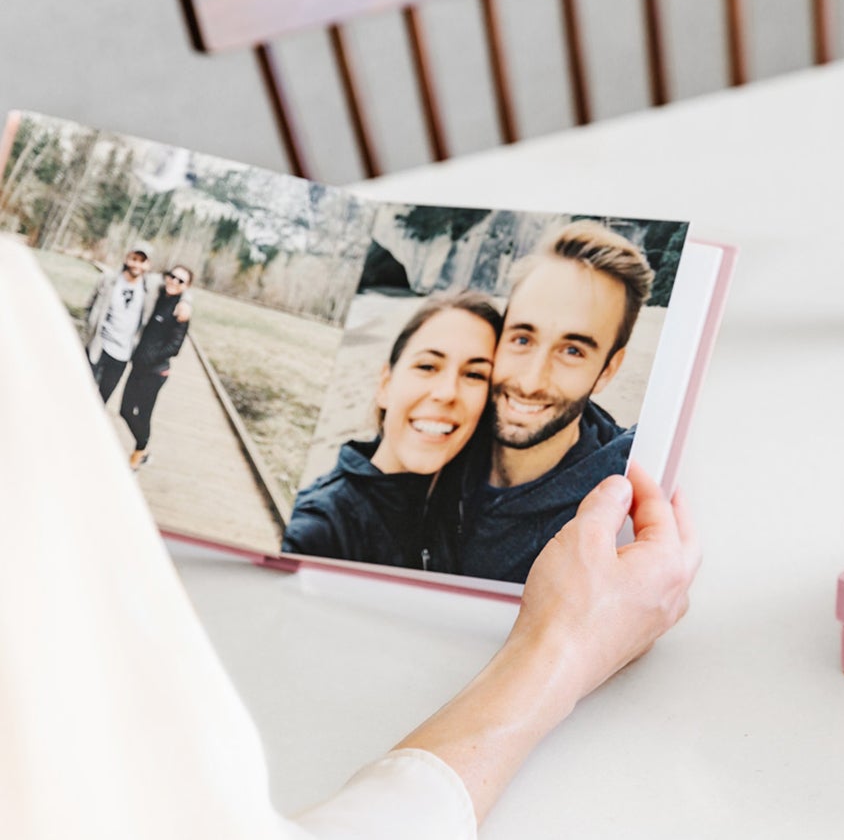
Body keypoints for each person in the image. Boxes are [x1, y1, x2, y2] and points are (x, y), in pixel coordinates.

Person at [1, 238, 700, 839]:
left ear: (610, 368)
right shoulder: (337, 514)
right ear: (385, 381)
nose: (522, 380)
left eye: (475, 371)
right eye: (518, 340)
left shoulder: (596, 477)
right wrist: (563, 652)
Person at [437, 220, 655, 582]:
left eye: (572, 350)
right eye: (522, 339)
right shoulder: (436, 440)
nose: (530, 381)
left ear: (607, 370)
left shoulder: (607, 523)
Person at [281, 291, 503, 569]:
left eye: (474, 374)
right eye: (427, 366)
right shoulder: (319, 530)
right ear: (385, 385)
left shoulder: (465, 512)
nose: (447, 393)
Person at [83, 242, 191, 402]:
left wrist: (187, 302)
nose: (137, 264)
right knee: (81, 393)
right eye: (134, 259)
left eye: (142, 261)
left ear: (148, 265)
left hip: (122, 355)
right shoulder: (109, 279)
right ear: (127, 258)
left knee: (101, 401)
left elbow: (177, 286)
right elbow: (89, 306)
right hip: (98, 347)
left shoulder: (151, 286)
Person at [119, 264, 194, 470]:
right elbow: (143, 275)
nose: (174, 282)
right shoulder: (156, 294)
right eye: (172, 277)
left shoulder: (181, 310)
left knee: (143, 414)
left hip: (155, 372)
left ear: (186, 286)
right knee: (125, 410)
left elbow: (175, 347)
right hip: (138, 366)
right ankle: (144, 449)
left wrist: (151, 357)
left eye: (180, 281)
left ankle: (139, 451)